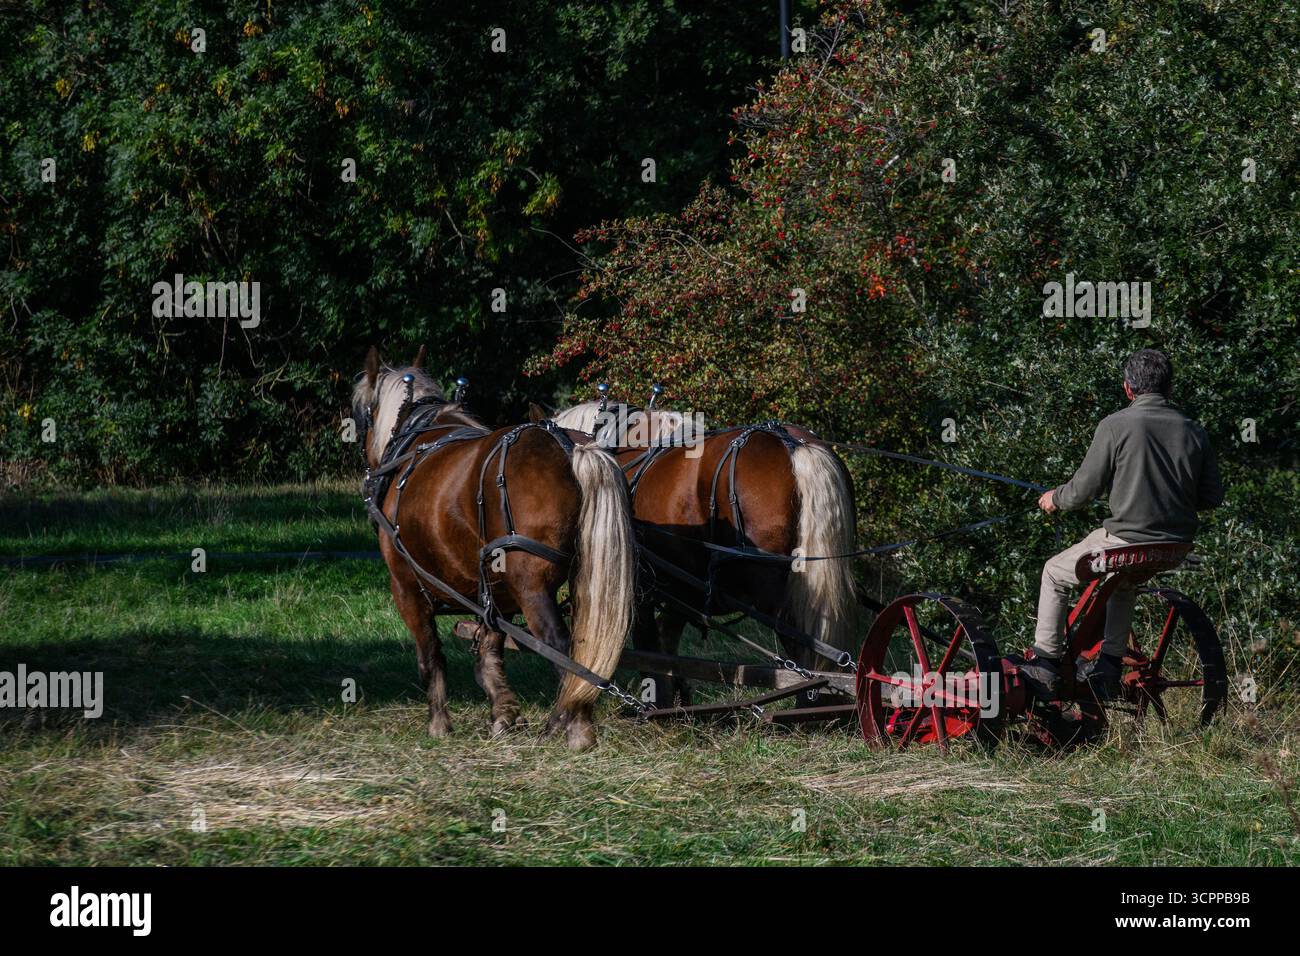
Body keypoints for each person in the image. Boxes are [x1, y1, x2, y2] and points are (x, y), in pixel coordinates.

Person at [1016, 348, 1224, 700]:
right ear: (1168, 387)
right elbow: (1211, 497)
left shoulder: (1115, 425)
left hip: (1125, 541)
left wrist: (1055, 498)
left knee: (1053, 571)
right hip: (1175, 547)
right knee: (1123, 583)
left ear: (1129, 388)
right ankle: (1109, 665)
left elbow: (1083, 490)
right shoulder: (1193, 430)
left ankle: (1046, 661)